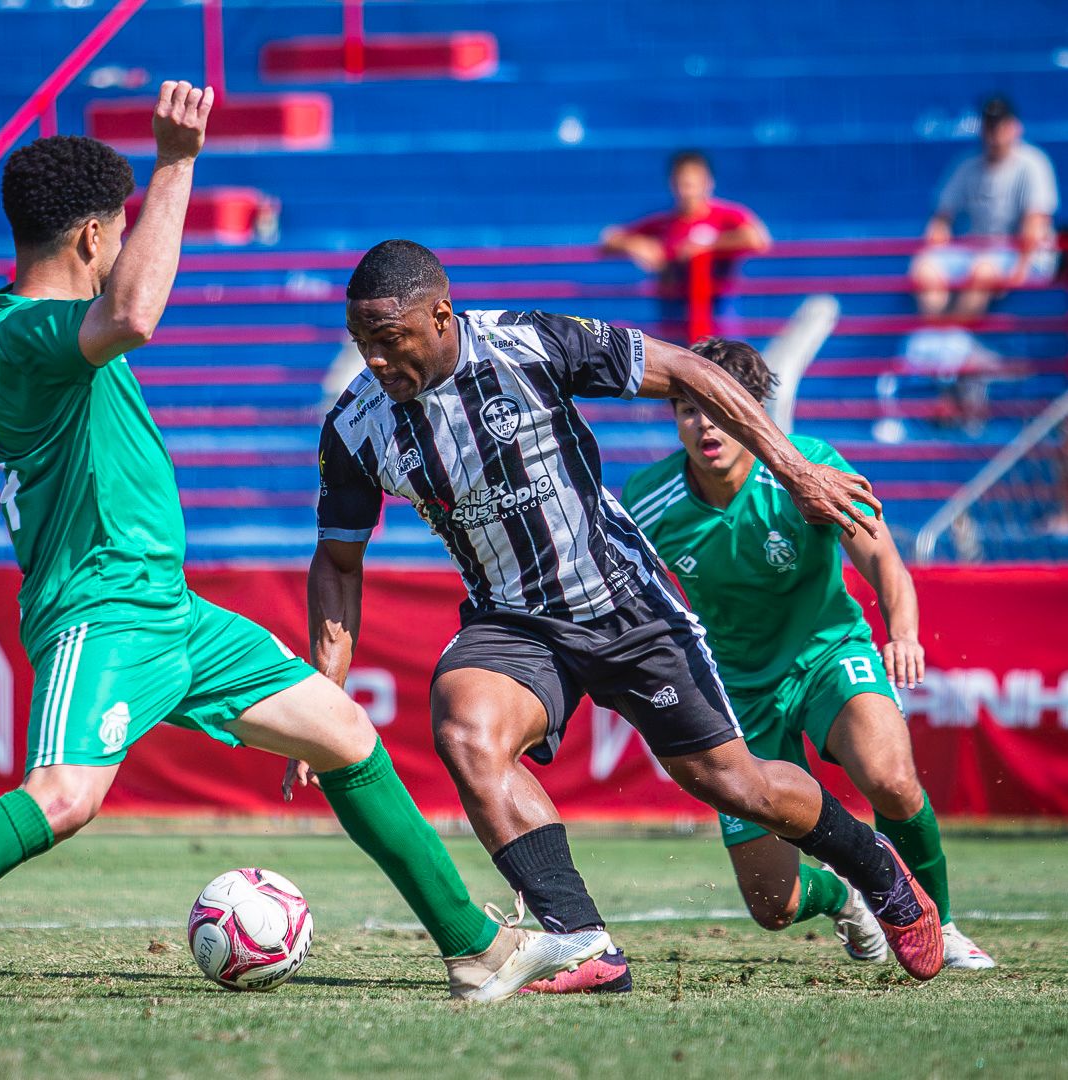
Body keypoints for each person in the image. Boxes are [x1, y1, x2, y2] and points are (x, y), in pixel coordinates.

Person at [0, 84, 612, 1009]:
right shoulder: (34, 333)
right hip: (101, 612)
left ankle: (476, 949)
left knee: (343, 735)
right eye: (120, 228)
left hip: (169, 612)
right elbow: (133, 316)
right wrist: (177, 161)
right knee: (64, 796)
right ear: (95, 237)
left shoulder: (3, 346)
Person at [292, 239, 946, 993]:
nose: (373, 360)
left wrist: (793, 469)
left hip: (624, 604)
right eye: (361, 344)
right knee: (465, 728)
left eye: (389, 340)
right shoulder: (356, 427)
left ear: (441, 316)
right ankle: (583, 944)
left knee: (735, 785)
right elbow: (338, 562)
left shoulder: (530, 344)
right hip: (514, 622)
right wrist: (326, 694)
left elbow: (693, 371)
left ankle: (875, 867)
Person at [623, 337, 995, 970]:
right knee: (774, 904)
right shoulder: (647, 501)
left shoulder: (809, 467)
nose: (703, 423)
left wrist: (902, 633)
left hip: (829, 655)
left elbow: (884, 561)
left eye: (718, 406)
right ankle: (847, 898)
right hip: (735, 690)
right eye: (686, 407)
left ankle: (939, 921)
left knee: (891, 780)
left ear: (752, 410)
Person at [911, 96, 1059, 320]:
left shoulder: (1033, 163)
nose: (995, 132)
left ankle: (949, 337)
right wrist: (936, 240)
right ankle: (941, 334)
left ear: (1015, 127)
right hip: (979, 250)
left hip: (1023, 256)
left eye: (1000, 125)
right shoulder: (967, 165)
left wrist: (1019, 272)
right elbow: (942, 217)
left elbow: (1036, 223)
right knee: (924, 267)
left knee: (983, 270)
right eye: (990, 125)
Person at [600, 150, 770, 341]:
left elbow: (757, 238)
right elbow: (609, 238)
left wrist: (706, 246)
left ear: (708, 182)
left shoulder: (727, 215)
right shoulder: (664, 222)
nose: (686, 190)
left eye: (692, 182)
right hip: (673, 312)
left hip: (717, 309)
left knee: (726, 364)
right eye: (681, 182)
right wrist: (636, 244)